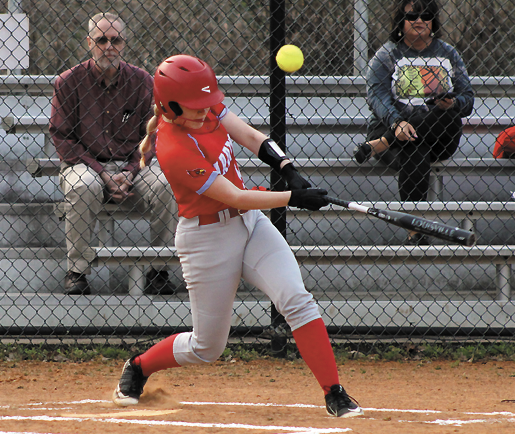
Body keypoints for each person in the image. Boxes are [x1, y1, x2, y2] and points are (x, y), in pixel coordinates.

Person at [111, 54, 364, 418]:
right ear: (170, 105)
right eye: (196, 106)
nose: (206, 111)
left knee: (296, 298)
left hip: (251, 224)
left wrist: (287, 167)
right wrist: (294, 198)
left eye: (207, 103)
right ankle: (139, 366)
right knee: (206, 348)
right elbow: (233, 195)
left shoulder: (208, 109)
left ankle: (334, 392)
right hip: (207, 239)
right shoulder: (173, 146)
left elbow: (250, 136)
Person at [49, 12, 177, 295]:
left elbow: (153, 136)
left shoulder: (142, 81)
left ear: (124, 42)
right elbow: (63, 138)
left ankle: (159, 270)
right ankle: (77, 271)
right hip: (85, 164)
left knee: (166, 184)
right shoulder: (68, 82)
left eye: (115, 40)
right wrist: (104, 174)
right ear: (89, 43)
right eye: (101, 40)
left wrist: (130, 171)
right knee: (83, 186)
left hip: (135, 164)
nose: (109, 46)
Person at [354, 0, 474, 244]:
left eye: (426, 15)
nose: (419, 20)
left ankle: (381, 143)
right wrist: (397, 123)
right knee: (416, 145)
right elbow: (376, 97)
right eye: (412, 16)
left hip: (438, 132)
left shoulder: (448, 53)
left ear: (434, 21)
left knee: (448, 115)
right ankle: (416, 231)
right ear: (401, 21)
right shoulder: (387, 54)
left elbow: (467, 99)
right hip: (395, 131)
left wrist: (452, 104)